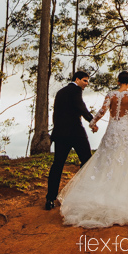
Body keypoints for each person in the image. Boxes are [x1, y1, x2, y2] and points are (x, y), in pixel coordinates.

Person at [56, 71, 128, 228]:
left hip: (112, 131)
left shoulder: (110, 94)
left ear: (118, 81)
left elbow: (102, 111)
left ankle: (102, 195)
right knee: (127, 163)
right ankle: (124, 195)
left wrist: (92, 123)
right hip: (126, 132)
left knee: (106, 162)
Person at [45, 70, 98, 210]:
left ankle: (50, 199)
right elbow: (81, 107)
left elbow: (55, 114)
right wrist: (92, 121)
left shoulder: (60, 92)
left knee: (57, 165)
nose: (86, 84)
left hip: (60, 133)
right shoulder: (76, 90)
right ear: (77, 79)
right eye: (85, 80)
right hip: (75, 133)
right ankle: (80, 192)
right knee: (87, 161)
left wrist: (56, 129)